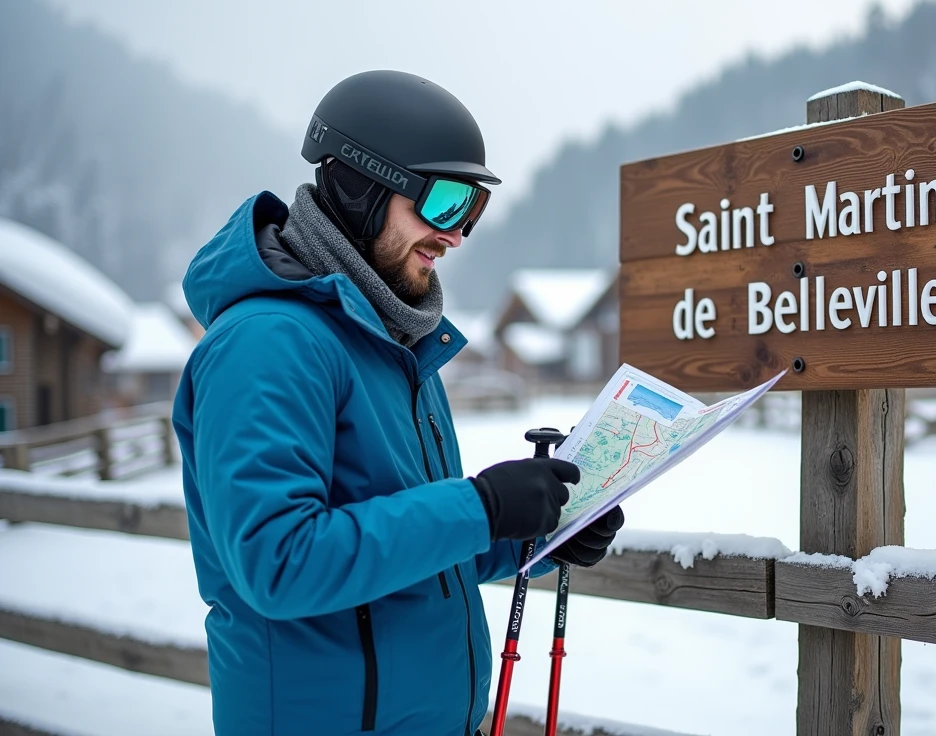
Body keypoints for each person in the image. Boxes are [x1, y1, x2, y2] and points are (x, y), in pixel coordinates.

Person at [172, 70, 625, 736]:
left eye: (471, 210)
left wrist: (532, 532)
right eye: (443, 202)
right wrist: (481, 506)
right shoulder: (267, 343)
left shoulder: (393, 346)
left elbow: (417, 553)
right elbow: (280, 562)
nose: (456, 235)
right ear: (360, 187)